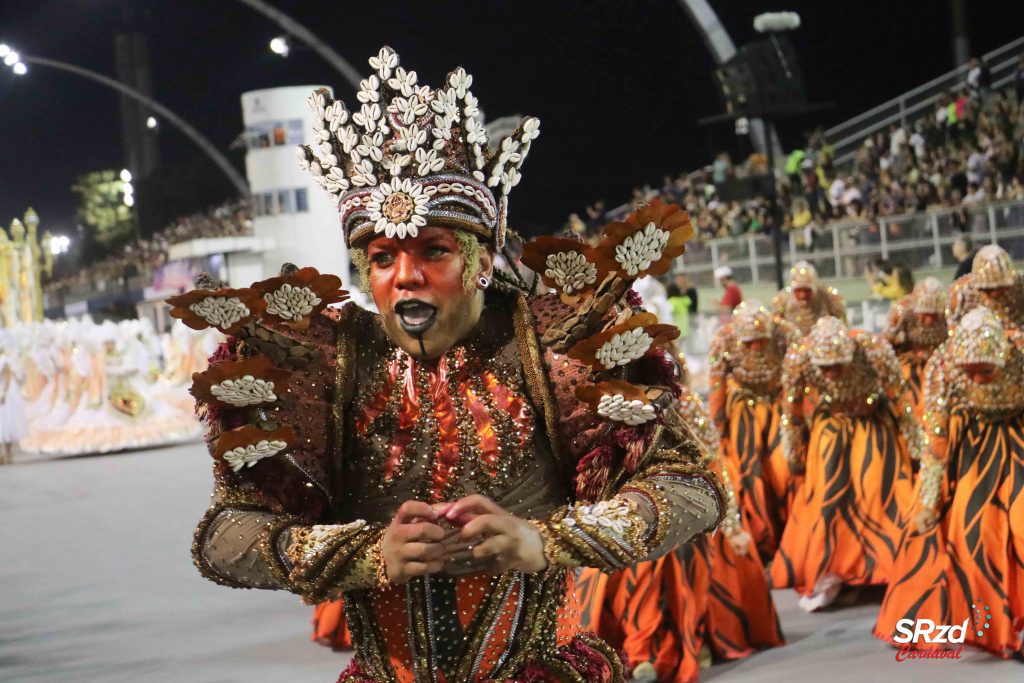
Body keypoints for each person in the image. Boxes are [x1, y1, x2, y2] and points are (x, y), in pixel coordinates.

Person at [173, 47, 722, 683]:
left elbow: (692, 488)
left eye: (433, 251)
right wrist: (365, 552)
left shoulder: (553, 347)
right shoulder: (326, 363)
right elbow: (225, 534)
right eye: (382, 258)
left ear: (481, 262)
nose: (405, 276)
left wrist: (545, 540)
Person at [578, 361, 782, 683]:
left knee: (679, 567)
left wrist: (732, 526)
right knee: (634, 571)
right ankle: (644, 649)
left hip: (684, 512)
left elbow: (712, 468)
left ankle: (674, 645)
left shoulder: (685, 409)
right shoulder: (600, 409)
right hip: (627, 513)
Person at [875, 308, 1024, 659]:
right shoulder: (942, 366)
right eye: (969, 372)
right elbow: (936, 443)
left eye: (984, 371)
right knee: (972, 539)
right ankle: (992, 626)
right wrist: (928, 502)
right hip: (971, 450)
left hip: (1019, 438)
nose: (977, 379)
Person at [770, 317, 923, 611]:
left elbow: (900, 400)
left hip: (874, 423)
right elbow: (792, 412)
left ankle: (890, 569)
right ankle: (835, 571)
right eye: (824, 368)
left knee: (879, 494)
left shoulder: (874, 349)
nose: (830, 374)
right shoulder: (798, 358)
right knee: (829, 498)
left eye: (837, 366)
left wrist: (916, 448)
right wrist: (792, 453)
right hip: (830, 427)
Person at [708, 300, 800, 562]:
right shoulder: (723, 340)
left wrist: (799, 419)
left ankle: (790, 538)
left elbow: (798, 377)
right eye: (749, 343)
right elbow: (716, 385)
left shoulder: (786, 333)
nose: (755, 348)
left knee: (784, 469)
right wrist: (718, 425)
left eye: (760, 341)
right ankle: (762, 540)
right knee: (750, 473)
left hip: (780, 405)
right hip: (742, 410)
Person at [882, 278, 949, 425]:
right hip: (909, 366)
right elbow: (885, 344)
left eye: (934, 315)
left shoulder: (949, 315)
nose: (929, 321)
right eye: (925, 314)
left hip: (941, 363)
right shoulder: (902, 312)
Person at [949, 244, 1024, 330]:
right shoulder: (962, 293)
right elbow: (954, 332)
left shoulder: (1020, 287)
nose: (994, 294)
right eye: (987, 290)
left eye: (1000, 288)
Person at [771, 260, 847, 335]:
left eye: (807, 290)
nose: (802, 295)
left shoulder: (829, 297)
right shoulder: (781, 300)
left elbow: (842, 327)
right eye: (798, 291)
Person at [0, 331, 28, 465]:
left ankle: (7, 452)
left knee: (6, 423)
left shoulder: (4, 361)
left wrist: (3, 393)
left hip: (3, 394)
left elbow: (6, 378)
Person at [667, 273, 698, 340]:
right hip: (685, 326)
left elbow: (669, 310)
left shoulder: (672, 301)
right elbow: (688, 301)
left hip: (686, 322)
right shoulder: (684, 299)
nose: (678, 282)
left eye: (680, 280)